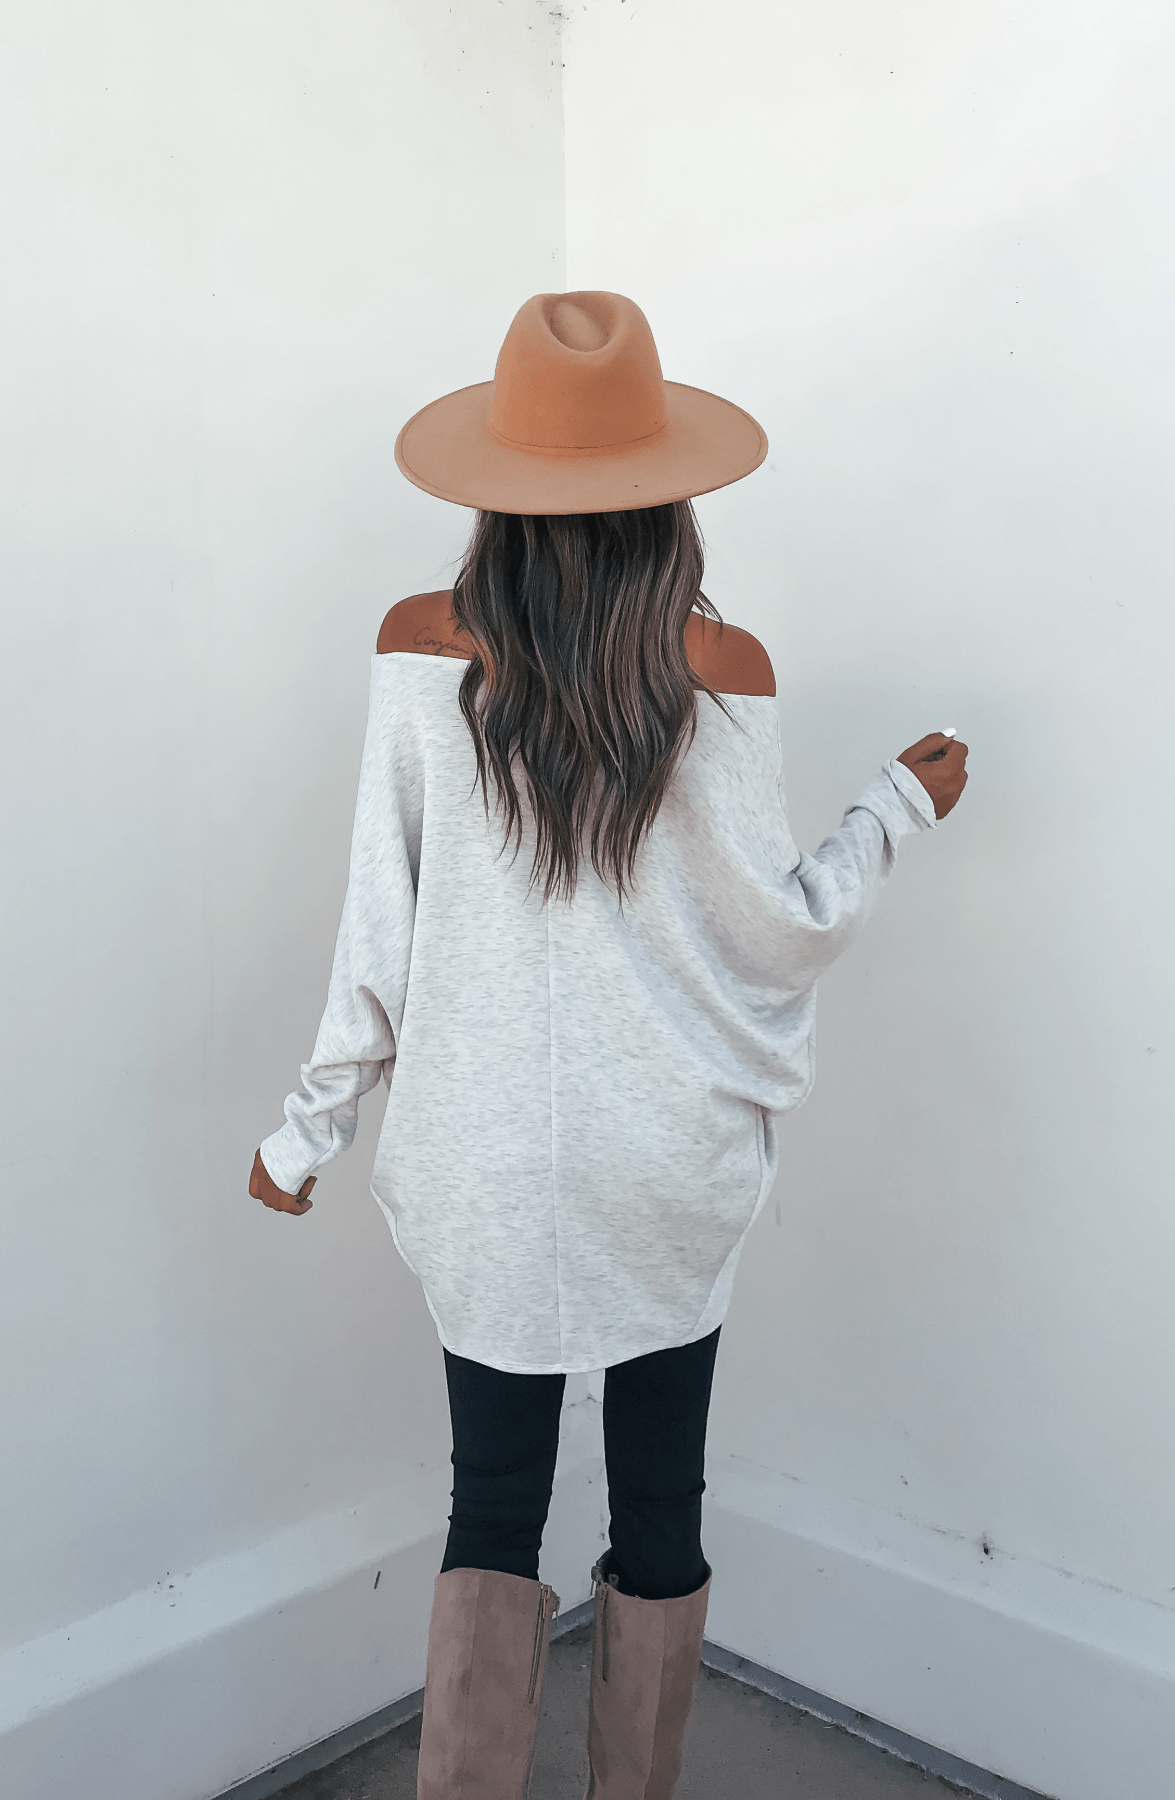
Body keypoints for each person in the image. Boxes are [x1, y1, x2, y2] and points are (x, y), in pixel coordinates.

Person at [248, 291, 968, 1800]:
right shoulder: (727, 668)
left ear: (496, 485)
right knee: (661, 1501)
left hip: (479, 1162)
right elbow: (777, 931)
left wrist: (308, 1131)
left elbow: (381, 921)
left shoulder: (413, 652)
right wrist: (895, 804)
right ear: (671, 488)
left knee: (489, 1505)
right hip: (671, 1167)